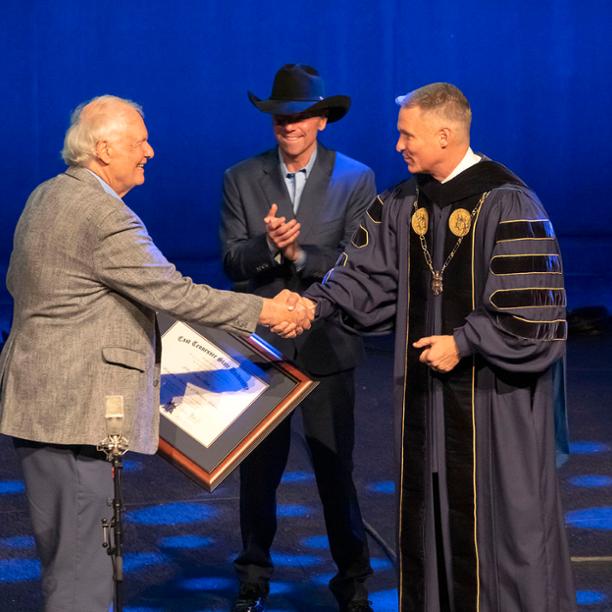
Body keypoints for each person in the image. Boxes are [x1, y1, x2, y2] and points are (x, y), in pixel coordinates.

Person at [0, 95, 310, 612]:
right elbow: (176, 293)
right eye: (139, 141)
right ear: (103, 149)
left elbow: (20, 282)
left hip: (41, 408)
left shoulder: (46, 195)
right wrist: (267, 312)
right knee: (82, 576)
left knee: (67, 562)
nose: (150, 150)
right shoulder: (102, 213)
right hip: (76, 413)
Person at [303, 83, 576, 611]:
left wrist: (466, 341)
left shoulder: (509, 200)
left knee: (504, 529)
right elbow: (362, 275)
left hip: (493, 402)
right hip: (426, 402)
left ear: (445, 135)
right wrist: (314, 305)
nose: (397, 145)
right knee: (429, 523)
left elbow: (533, 315)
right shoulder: (404, 201)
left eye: (407, 134)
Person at [220, 64, 376, 612]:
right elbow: (232, 261)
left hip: (325, 344)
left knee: (335, 469)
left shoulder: (356, 178)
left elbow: (358, 264)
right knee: (258, 473)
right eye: (281, 116)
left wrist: (298, 256)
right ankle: (253, 577)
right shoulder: (241, 177)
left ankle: (353, 582)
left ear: (321, 120)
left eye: (301, 116)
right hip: (264, 350)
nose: (290, 125)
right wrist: (267, 246)